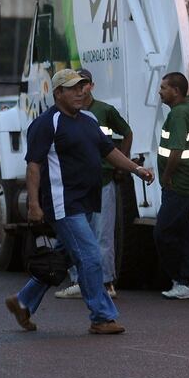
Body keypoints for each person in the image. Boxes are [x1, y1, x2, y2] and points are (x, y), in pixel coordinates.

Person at [4, 68, 153, 334]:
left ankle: (23, 302)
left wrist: (136, 169)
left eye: (81, 87)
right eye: (73, 88)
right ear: (58, 93)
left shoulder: (88, 119)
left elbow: (109, 151)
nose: (80, 92)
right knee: (91, 256)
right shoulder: (46, 123)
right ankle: (101, 317)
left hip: (87, 202)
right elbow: (34, 166)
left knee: (63, 258)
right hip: (64, 204)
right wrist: (34, 205)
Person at [55, 68, 133, 300]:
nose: (81, 89)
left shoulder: (103, 111)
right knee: (76, 236)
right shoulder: (65, 116)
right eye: (75, 85)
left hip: (103, 181)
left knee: (102, 234)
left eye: (84, 83)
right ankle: (78, 281)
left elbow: (126, 133)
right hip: (75, 185)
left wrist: (122, 166)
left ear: (92, 85)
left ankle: (106, 283)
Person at [155, 61, 189, 300]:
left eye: (163, 88)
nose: (160, 92)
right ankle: (187, 283)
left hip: (180, 186)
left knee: (163, 232)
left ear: (175, 91)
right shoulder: (187, 105)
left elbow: (176, 150)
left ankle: (180, 278)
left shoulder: (178, 114)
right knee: (184, 235)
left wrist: (166, 177)